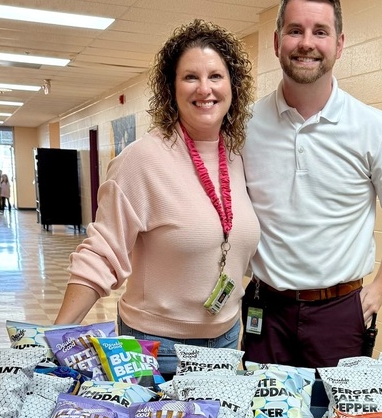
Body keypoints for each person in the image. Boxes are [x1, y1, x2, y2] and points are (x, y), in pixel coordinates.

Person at [54, 19, 259, 377]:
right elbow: (102, 253)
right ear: (172, 88)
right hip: (156, 348)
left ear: (233, 86)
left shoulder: (238, 157)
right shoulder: (142, 159)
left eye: (216, 76)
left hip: (226, 340)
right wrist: (55, 337)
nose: (205, 88)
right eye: (190, 77)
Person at [241, 0, 382, 368]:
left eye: (320, 32)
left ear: (339, 44)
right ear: (276, 42)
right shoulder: (246, 126)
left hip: (339, 312)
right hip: (265, 312)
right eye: (295, 30)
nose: (307, 43)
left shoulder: (372, 125)